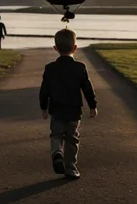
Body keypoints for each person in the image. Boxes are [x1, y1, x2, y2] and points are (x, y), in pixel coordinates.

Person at [39, 29, 98, 180]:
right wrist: (93, 106)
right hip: (74, 110)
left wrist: (43, 107)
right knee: (72, 139)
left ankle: (57, 152)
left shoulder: (50, 68)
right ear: (75, 48)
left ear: (55, 48)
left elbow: (44, 90)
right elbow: (87, 88)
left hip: (57, 109)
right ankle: (70, 168)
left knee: (56, 135)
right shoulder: (80, 67)